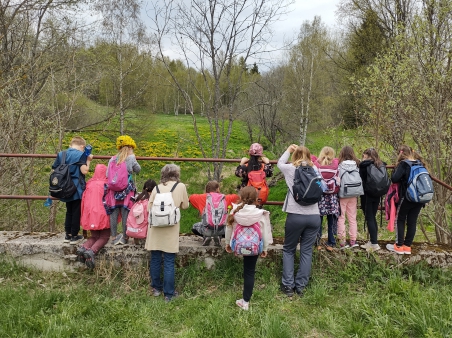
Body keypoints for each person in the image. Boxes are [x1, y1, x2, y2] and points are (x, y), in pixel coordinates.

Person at [277, 144, 321, 297]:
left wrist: (288, 150)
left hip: (295, 216)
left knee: (289, 249)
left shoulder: (291, 169)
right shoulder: (315, 170)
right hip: (315, 216)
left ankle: (288, 286)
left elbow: (279, 163)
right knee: (306, 250)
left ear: (295, 156)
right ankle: (301, 286)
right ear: (309, 156)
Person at [145, 164, 189, 302]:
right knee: (169, 261)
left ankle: (156, 288)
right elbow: (185, 206)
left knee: (156, 258)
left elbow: (148, 208)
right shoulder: (180, 186)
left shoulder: (157, 188)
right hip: (171, 228)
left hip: (156, 229)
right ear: (176, 174)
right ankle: (168, 294)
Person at [225, 186, 271, 311]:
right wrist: (265, 248)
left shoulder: (235, 211)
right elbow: (265, 233)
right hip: (254, 248)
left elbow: (229, 229)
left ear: (240, 197)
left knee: (247, 271)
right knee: (249, 272)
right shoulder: (260, 213)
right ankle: (245, 301)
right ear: (256, 199)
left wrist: (228, 243)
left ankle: (244, 301)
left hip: (239, 246)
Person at [52, 136, 93, 245]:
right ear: (82, 146)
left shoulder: (62, 154)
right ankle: (74, 236)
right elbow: (84, 171)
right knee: (76, 211)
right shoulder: (81, 155)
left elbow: (54, 169)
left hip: (64, 186)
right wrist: (88, 160)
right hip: (76, 187)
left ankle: (68, 234)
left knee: (69, 210)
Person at [386, 145, 427, 255]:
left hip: (407, 197)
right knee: (412, 221)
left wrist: (396, 168)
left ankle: (399, 246)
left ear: (401, 153)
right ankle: (407, 246)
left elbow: (394, 179)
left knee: (400, 219)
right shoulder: (420, 163)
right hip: (420, 197)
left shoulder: (404, 164)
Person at [104, 135, 141, 245]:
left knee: (113, 214)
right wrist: (133, 157)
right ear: (130, 147)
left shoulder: (112, 159)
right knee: (126, 214)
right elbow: (138, 170)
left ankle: (114, 237)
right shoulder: (130, 158)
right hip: (126, 191)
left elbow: (107, 174)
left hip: (113, 191)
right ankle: (125, 238)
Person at [77, 164, 110, 269]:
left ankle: (84, 247)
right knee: (104, 236)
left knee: (94, 236)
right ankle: (92, 251)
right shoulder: (107, 184)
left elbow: (84, 201)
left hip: (90, 214)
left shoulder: (89, 184)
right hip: (103, 214)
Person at [189, 180, 239, 246]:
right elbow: (237, 197)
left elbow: (190, 198)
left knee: (194, 226)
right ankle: (219, 237)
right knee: (228, 226)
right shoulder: (225, 198)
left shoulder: (200, 197)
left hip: (207, 229)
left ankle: (206, 237)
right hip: (222, 230)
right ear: (218, 189)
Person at [312, 146, 340, 251]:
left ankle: (318, 243)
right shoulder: (336, 165)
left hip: (320, 197)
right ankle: (331, 243)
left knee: (318, 220)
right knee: (331, 220)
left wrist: (315, 159)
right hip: (332, 197)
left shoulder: (316, 165)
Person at [359, 148, 384, 252]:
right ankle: (374, 241)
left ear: (366, 156)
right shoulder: (380, 164)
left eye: (364, 155)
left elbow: (360, 177)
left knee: (369, 217)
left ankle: (374, 243)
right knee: (372, 217)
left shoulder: (364, 165)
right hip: (377, 194)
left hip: (367, 194)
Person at [337, 146, 361, 249]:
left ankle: (342, 241)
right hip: (354, 193)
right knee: (352, 218)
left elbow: (337, 180)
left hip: (343, 194)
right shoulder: (357, 164)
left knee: (341, 217)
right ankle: (353, 240)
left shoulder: (339, 165)